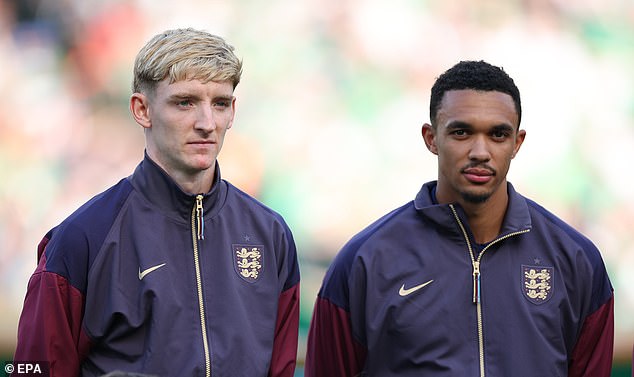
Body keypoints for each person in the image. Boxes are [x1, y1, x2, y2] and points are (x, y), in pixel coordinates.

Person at [13, 28, 300, 377]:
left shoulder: (269, 235)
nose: (207, 123)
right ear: (142, 109)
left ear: (232, 111)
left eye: (220, 103)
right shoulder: (83, 239)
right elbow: (36, 369)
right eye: (185, 102)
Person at [305, 60, 614, 376]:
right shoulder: (364, 261)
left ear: (517, 143)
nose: (480, 151)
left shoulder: (576, 261)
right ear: (431, 138)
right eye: (462, 132)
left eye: (497, 134)